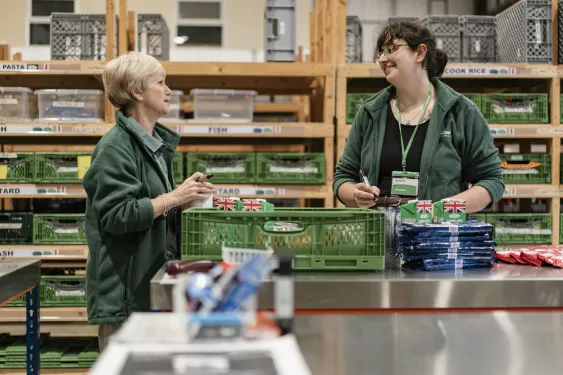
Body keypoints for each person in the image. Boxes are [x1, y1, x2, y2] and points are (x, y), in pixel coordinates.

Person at [333, 21, 504, 259]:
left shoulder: (461, 112)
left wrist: (442, 209)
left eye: (392, 49)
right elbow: (343, 178)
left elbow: (491, 181)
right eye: (380, 52)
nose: (383, 58)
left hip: (438, 247)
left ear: (420, 53)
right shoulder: (370, 112)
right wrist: (355, 194)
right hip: (377, 247)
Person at [82, 51, 215, 351]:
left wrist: (185, 197)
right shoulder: (115, 148)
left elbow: (153, 207)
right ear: (137, 91)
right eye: (161, 82)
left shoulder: (152, 144)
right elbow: (119, 216)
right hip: (126, 299)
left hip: (150, 290)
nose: (169, 90)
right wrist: (173, 197)